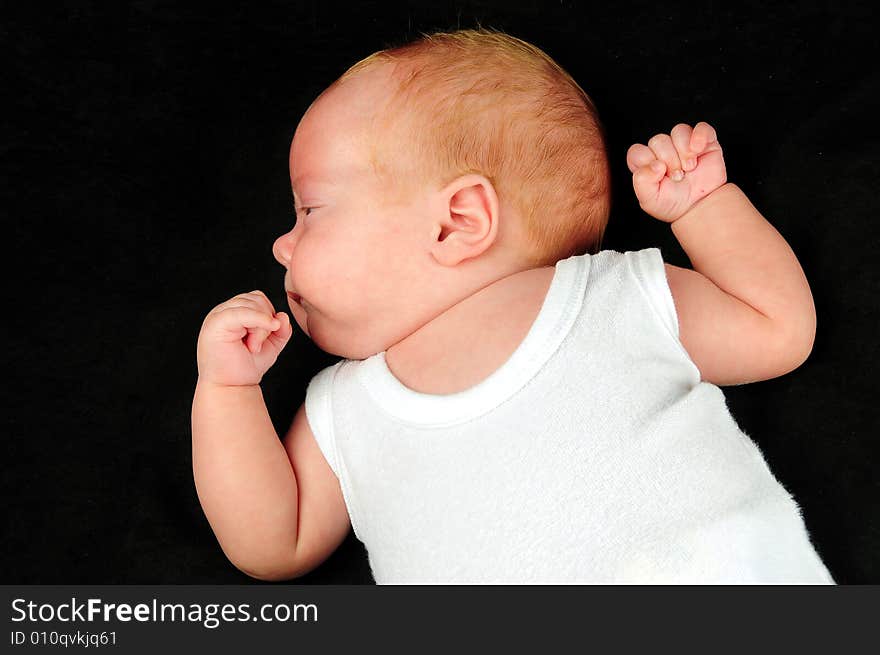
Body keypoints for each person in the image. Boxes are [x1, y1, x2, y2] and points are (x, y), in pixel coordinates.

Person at [191, 28, 834, 583]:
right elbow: (274, 544)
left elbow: (776, 329)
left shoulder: (609, 298)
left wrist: (702, 207)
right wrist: (226, 391)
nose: (280, 245)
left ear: (457, 223)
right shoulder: (344, 407)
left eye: (310, 211)